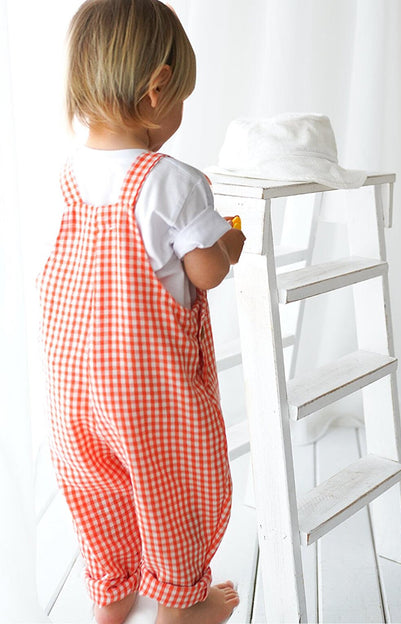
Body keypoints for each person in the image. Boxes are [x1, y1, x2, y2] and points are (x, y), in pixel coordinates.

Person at [37, 1, 245, 623]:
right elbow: (206, 271)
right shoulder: (172, 180)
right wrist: (229, 236)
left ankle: (111, 594)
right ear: (157, 89)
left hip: (73, 384)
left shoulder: (74, 172)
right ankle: (181, 607)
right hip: (144, 391)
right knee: (168, 490)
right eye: (180, 95)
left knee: (97, 487)